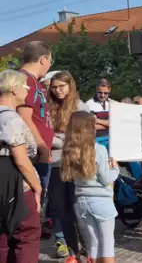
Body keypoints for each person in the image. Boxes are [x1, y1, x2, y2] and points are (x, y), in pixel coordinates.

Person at [61, 111, 119, 263]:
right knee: (107, 244)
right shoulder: (99, 149)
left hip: (82, 200)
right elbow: (106, 178)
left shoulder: (69, 150)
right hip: (101, 199)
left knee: (93, 244)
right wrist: (115, 169)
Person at [48, 71, 91, 261]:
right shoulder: (49, 107)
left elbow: (82, 136)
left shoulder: (80, 106)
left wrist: (56, 140)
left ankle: (89, 250)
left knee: (78, 210)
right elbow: (44, 135)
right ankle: (73, 252)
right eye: (54, 87)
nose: (57, 90)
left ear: (70, 86)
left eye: (61, 86)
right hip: (55, 165)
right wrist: (58, 139)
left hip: (75, 164)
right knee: (62, 210)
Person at [0, 70, 42, 263]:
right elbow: (21, 161)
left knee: (2, 238)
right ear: (14, 89)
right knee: (27, 235)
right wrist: (37, 186)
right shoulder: (11, 120)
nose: (28, 91)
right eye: (25, 87)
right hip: (16, 185)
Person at [17, 41, 55, 207]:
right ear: (43, 59)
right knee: (34, 203)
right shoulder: (25, 80)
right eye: (50, 62)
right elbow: (24, 117)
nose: (49, 65)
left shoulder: (34, 81)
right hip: (34, 154)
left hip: (39, 153)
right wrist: (42, 146)